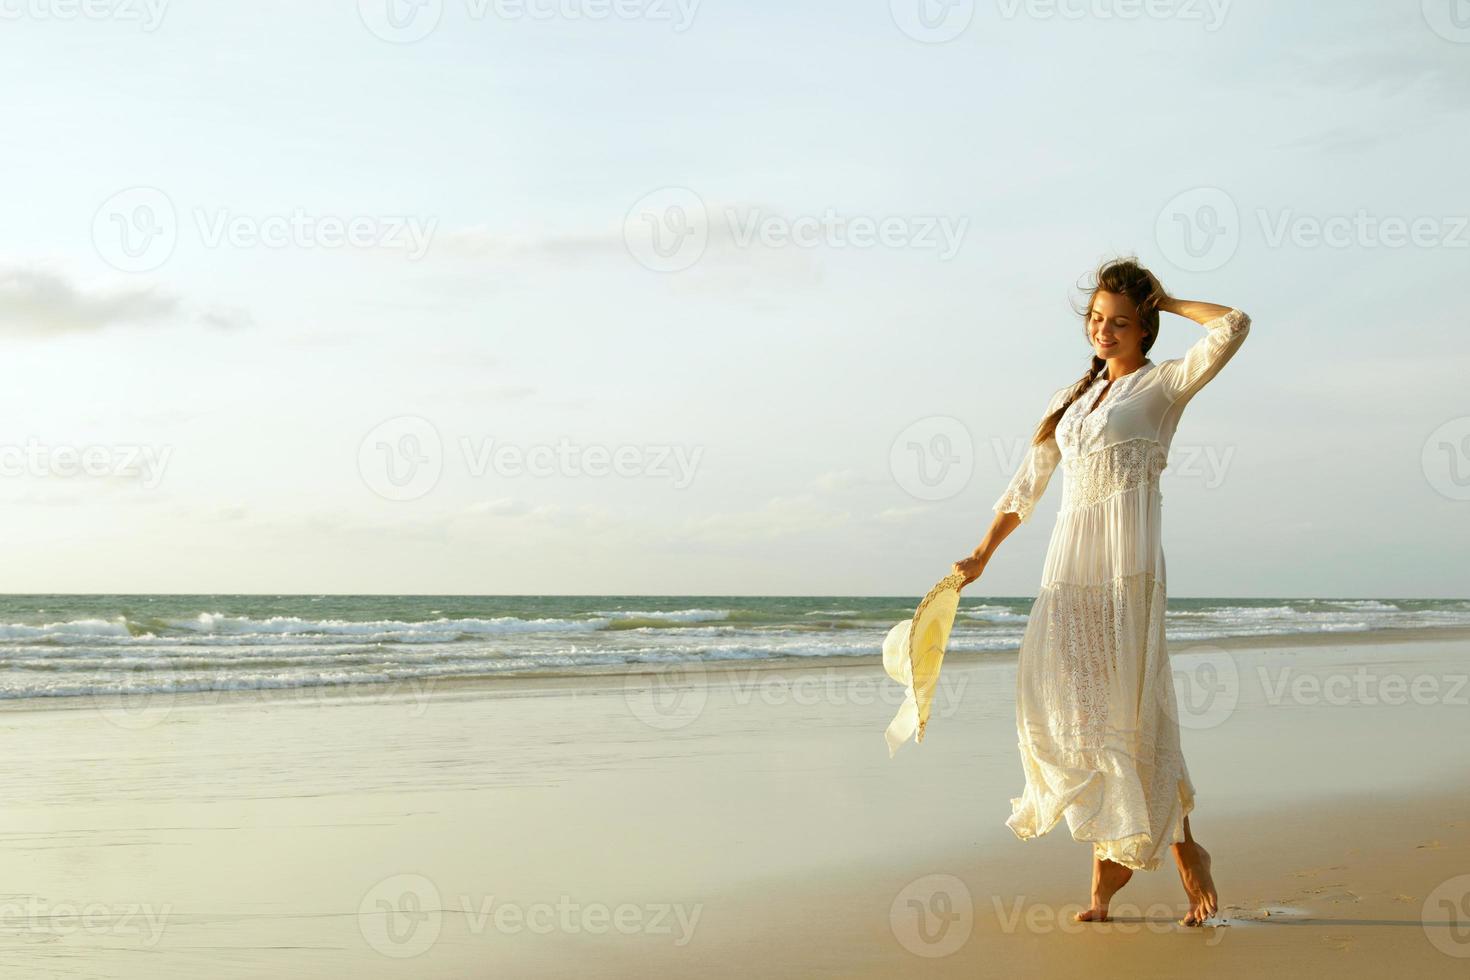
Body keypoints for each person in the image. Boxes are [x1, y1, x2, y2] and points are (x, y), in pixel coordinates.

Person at [951, 257, 1250, 927]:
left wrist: (1167, 299)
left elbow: (1233, 325)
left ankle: (1157, 863)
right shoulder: (1073, 398)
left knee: (1131, 708)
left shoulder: (1164, 385)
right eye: (1095, 320)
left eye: (1119, 322)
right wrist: (981, 553)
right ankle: (1156, 848)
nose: (1104, 331)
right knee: (1071, 705)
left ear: (1142, 327)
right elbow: (1026, 485)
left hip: (1127, 564)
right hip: (1069, 567)